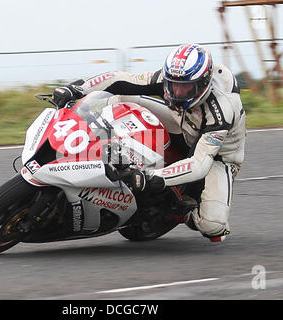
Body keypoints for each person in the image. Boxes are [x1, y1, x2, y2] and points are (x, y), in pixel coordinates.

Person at [52, 43, 246, 242]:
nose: (177, 93)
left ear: (204, 84)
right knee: (121, 97)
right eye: (173, 85)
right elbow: (122, 79)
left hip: (217, 155)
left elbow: (199, 164)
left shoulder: (222, 108)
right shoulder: (173, 75)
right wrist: (76, 89)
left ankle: (182, 212)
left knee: (214, 226)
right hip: (182, 124)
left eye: (185, 88)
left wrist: (148, 177)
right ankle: (89, 142)